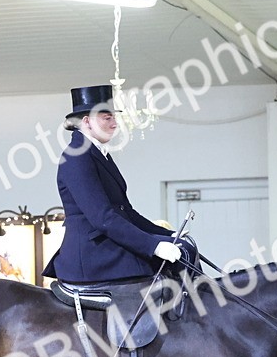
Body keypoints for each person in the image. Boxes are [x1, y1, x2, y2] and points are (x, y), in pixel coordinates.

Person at [41, 85, 183, 284]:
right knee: (169, 261)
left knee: (184, 248)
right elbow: (103, 217)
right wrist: (153, 246)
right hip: (93, 252)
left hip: (105, 243)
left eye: (114, 118)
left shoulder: (98, 153)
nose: (115, 124)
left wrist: (167, 234)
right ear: (87, 121)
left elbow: (126, 211)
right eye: (108, 118)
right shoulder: (77, 156)